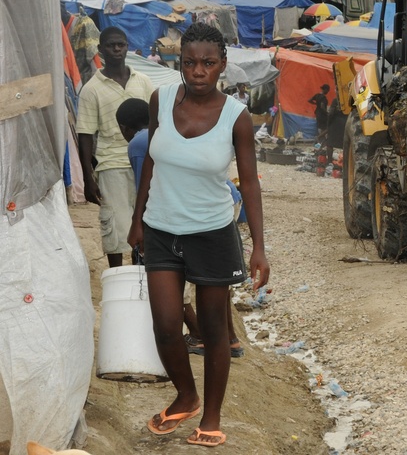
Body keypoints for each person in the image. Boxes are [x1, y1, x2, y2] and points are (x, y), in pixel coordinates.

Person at [128, 23, 268, 447]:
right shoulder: (160, 99)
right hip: (160, 228)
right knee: (167, 325)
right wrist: (137, 220)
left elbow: (250, 183)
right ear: (179, 63)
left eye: (208, 63)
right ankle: (185, 396)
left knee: (211, 330)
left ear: (222, 65)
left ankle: (211, 415)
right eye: (189, 62)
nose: (198, 71)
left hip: (211, 233)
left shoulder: (236, 117)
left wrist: (259, 246)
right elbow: (151, 162)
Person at [117, 97, 244, 360]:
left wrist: (139, 224)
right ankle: (229, 339)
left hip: (202, 211)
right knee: (215, 281)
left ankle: (201, 335)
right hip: (225, 200)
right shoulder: (161, 131)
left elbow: (148, 184)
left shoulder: (138, 144)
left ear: (124, 128)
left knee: (185, 280)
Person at [77, 27, 155, 268]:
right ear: (101, 50)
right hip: (111, 165)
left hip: (144, 162)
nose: (117, 49)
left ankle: (142, 274)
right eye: (111, 45)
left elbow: (157, 122)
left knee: (145, 220)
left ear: (127, 46)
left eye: (121, 44)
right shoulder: (91, 89)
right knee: (116, 226)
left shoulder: (143, 82)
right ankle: (117, 275)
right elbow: (86, 134)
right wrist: (88, 179)